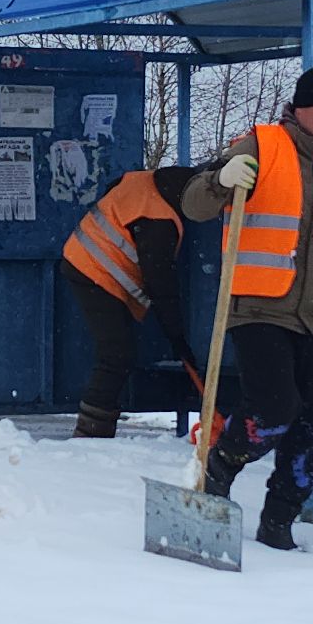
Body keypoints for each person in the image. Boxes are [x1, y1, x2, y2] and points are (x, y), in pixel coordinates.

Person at [180, 66, 313, 550]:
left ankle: (278, 524)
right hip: (258, 306)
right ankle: (221, 464)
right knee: (276, 410)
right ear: (299, 108)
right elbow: (194, 203)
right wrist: (220, 179)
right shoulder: (260, 146)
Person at [59, 166, 202, 438]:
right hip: (91, 267)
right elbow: (161, 286)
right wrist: (178, 338)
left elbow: (114, 187)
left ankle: (95, 426)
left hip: (84, 256)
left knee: (118, 352)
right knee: (117, 353)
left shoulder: (146, 181)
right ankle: (90, 432)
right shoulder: (158, 220)